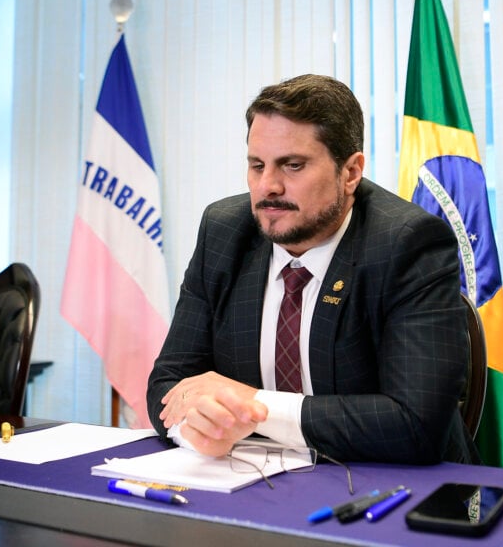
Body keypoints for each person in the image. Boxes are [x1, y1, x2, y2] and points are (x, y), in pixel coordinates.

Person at [147, 74, 477, 465]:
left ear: (351, 172)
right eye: (257, 165)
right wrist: (198, 429)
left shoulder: (407, 244)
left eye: (292, 166)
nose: (268, 186)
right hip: (250, 481)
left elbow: (416, 424)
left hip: (393, 490)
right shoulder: (224, 232)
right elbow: (169, 384)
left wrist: (253, 406)